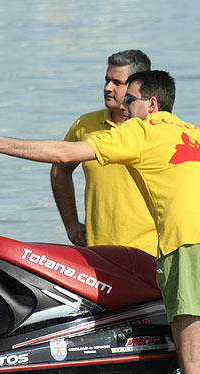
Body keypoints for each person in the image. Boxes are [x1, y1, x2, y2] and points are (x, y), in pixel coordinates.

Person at [0, 70, 200, 374]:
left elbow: (63, 154)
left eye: (130, 99)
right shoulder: (199, 133)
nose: (124, 107)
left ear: (152, 104)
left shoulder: (141, 130)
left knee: (194, 362)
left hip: (187, 243)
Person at [51, 49, 156, 255]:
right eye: (107, 80)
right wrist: (71, 223)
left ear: (137, 87)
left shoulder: (159, 129)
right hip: (99, 251)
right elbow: (60, 170)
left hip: (151, 252)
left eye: (117, 83)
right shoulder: (85, 124)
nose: (108, 88)